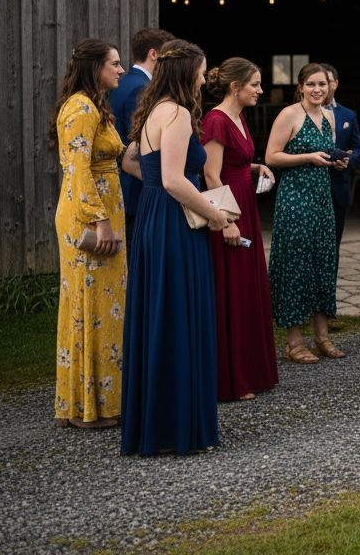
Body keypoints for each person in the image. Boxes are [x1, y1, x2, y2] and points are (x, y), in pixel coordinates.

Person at [119, 39, 224, 455]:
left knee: (158, 311)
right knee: (177, 311)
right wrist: (214, 214)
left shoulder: (151, 110)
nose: (203, 77)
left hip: (151, 218)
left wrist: (160, 196)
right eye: (201, 70)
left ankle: (155, 421)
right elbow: (174, 180)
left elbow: (130, 161)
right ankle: (178, 425)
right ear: (186, 73)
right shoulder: (177, 113)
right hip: (175, 223)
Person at [51, 38, 127, 429]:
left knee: (97, 304)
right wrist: (99, 220)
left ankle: (84, 402)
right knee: (93, 306)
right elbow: (77, 169)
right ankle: (90, 408)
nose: (120, 69)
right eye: (114, 63)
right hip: (89, 216)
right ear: (95, 67)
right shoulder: (81, 107)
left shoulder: (96, 106)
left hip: (99, 210)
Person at [202, 58, 279, 401]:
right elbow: (211, 174)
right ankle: (231, 377)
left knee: (248, 286)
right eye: (255, 85)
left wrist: (256, 165)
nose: (261, 90)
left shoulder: (239, 117)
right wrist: (225, 221)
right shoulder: (216, 120)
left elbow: (235, 162)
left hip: (245, 202)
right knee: (232, 288)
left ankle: (252, 370)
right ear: (236, 87)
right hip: (229, 210)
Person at [265, 63, 345, 364]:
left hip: (323, 200)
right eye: (311, 84)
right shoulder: (289, 114)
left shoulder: (329, 116)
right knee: (296, 265)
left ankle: (322, 336)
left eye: (322, 84)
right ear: (301, 86)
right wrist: (308, 157)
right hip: (295, 200)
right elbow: (272, 156)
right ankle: (294, 341)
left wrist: (336, 162)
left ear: (330, 86)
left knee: (323, 262)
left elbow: (327, 154)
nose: (317, 90)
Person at [111, 28, 175, 234]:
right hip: (137, 189)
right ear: (153, 54)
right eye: (168, 58)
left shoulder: (123, 83)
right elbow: (141, 143)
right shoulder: (142, 88)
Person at [320, 63, 360, 249]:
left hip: (338, 186)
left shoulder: (348, 115)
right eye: (315, 83)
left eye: (325, 82)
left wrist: (347, 161)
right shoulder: (297, 113)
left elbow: (359, 149)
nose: (320, 87)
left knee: (333, 245)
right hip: (308, 189)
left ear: (335, 84)